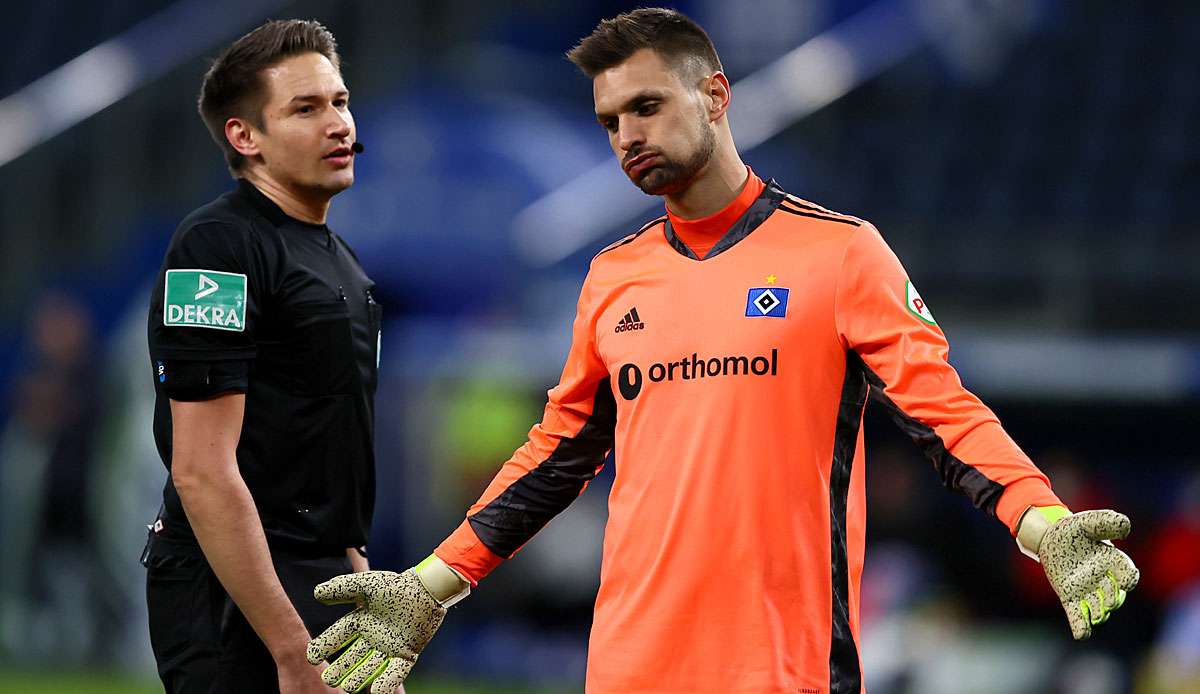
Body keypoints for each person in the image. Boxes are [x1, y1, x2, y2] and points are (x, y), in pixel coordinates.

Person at [305, 8, 1140, 694]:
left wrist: (1045, 525)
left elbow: (943, 414)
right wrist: (428, 587)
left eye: (646, 107)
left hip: (783, 669)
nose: (625, 135)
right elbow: (552, 458)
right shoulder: (613, 278)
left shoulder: (842, 254)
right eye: (608, 122)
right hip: (628, 669)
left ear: (714, 94)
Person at [142, 19, 384, 694]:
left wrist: (358, 594)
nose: (337, 123)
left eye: (338, 101)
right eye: (305, 109)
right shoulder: (217, 250)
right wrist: (291, 647)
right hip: (233, 588)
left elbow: (334, 453)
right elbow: (200, 471)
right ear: (244, 137)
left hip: (322, 577)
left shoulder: (347, 267)